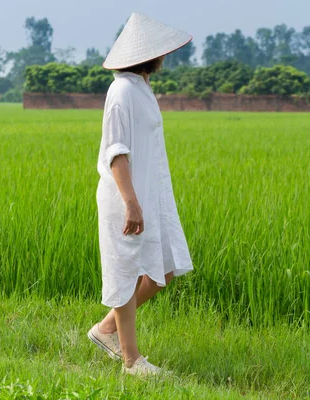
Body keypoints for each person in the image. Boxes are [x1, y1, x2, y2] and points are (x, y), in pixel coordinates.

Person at [87, 12, 194, 377]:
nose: (164, 56)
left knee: (165, 265)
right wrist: (131, 202)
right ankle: (131, 361)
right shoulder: (121, 91)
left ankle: (105, 330)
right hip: (125, 196)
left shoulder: (140, 86)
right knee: (125, 269)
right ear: (148, 54)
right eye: (160, 51)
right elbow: (116, 151)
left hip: (147, 194)